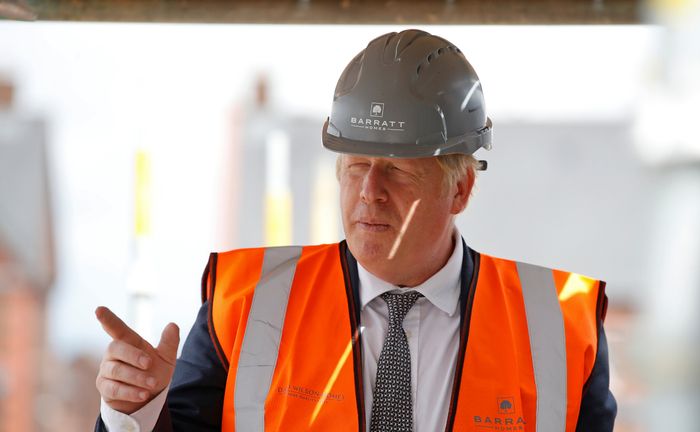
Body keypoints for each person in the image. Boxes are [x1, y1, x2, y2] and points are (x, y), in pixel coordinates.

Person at [94, 29, 617, 432]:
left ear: (459, 191)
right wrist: (138, 411)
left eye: (398, 169)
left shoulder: (562, 327)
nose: (369, 190)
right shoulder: (246, 302)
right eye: (355, 165)